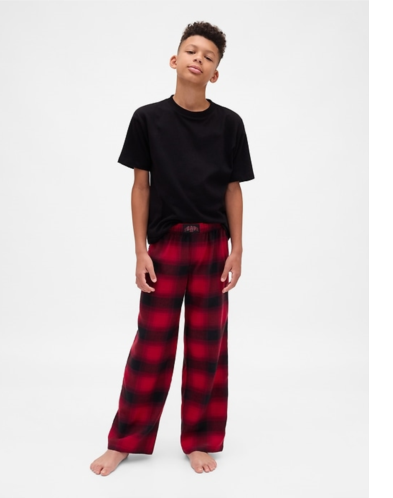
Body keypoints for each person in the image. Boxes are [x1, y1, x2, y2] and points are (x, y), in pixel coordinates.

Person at [90, 21, 255, 477]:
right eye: (191, 50)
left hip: (212, 245)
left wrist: (237, 249)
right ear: (174, 60)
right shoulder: (148, 119)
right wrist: (140, 250)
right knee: (151, 346)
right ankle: (125, 441)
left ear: (215, 73)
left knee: (207, 348)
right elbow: (140, 187)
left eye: (208, 56)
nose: (198, 58)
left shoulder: (229, 124)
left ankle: (199, 440)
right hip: (164, 244)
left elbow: (233, 189)